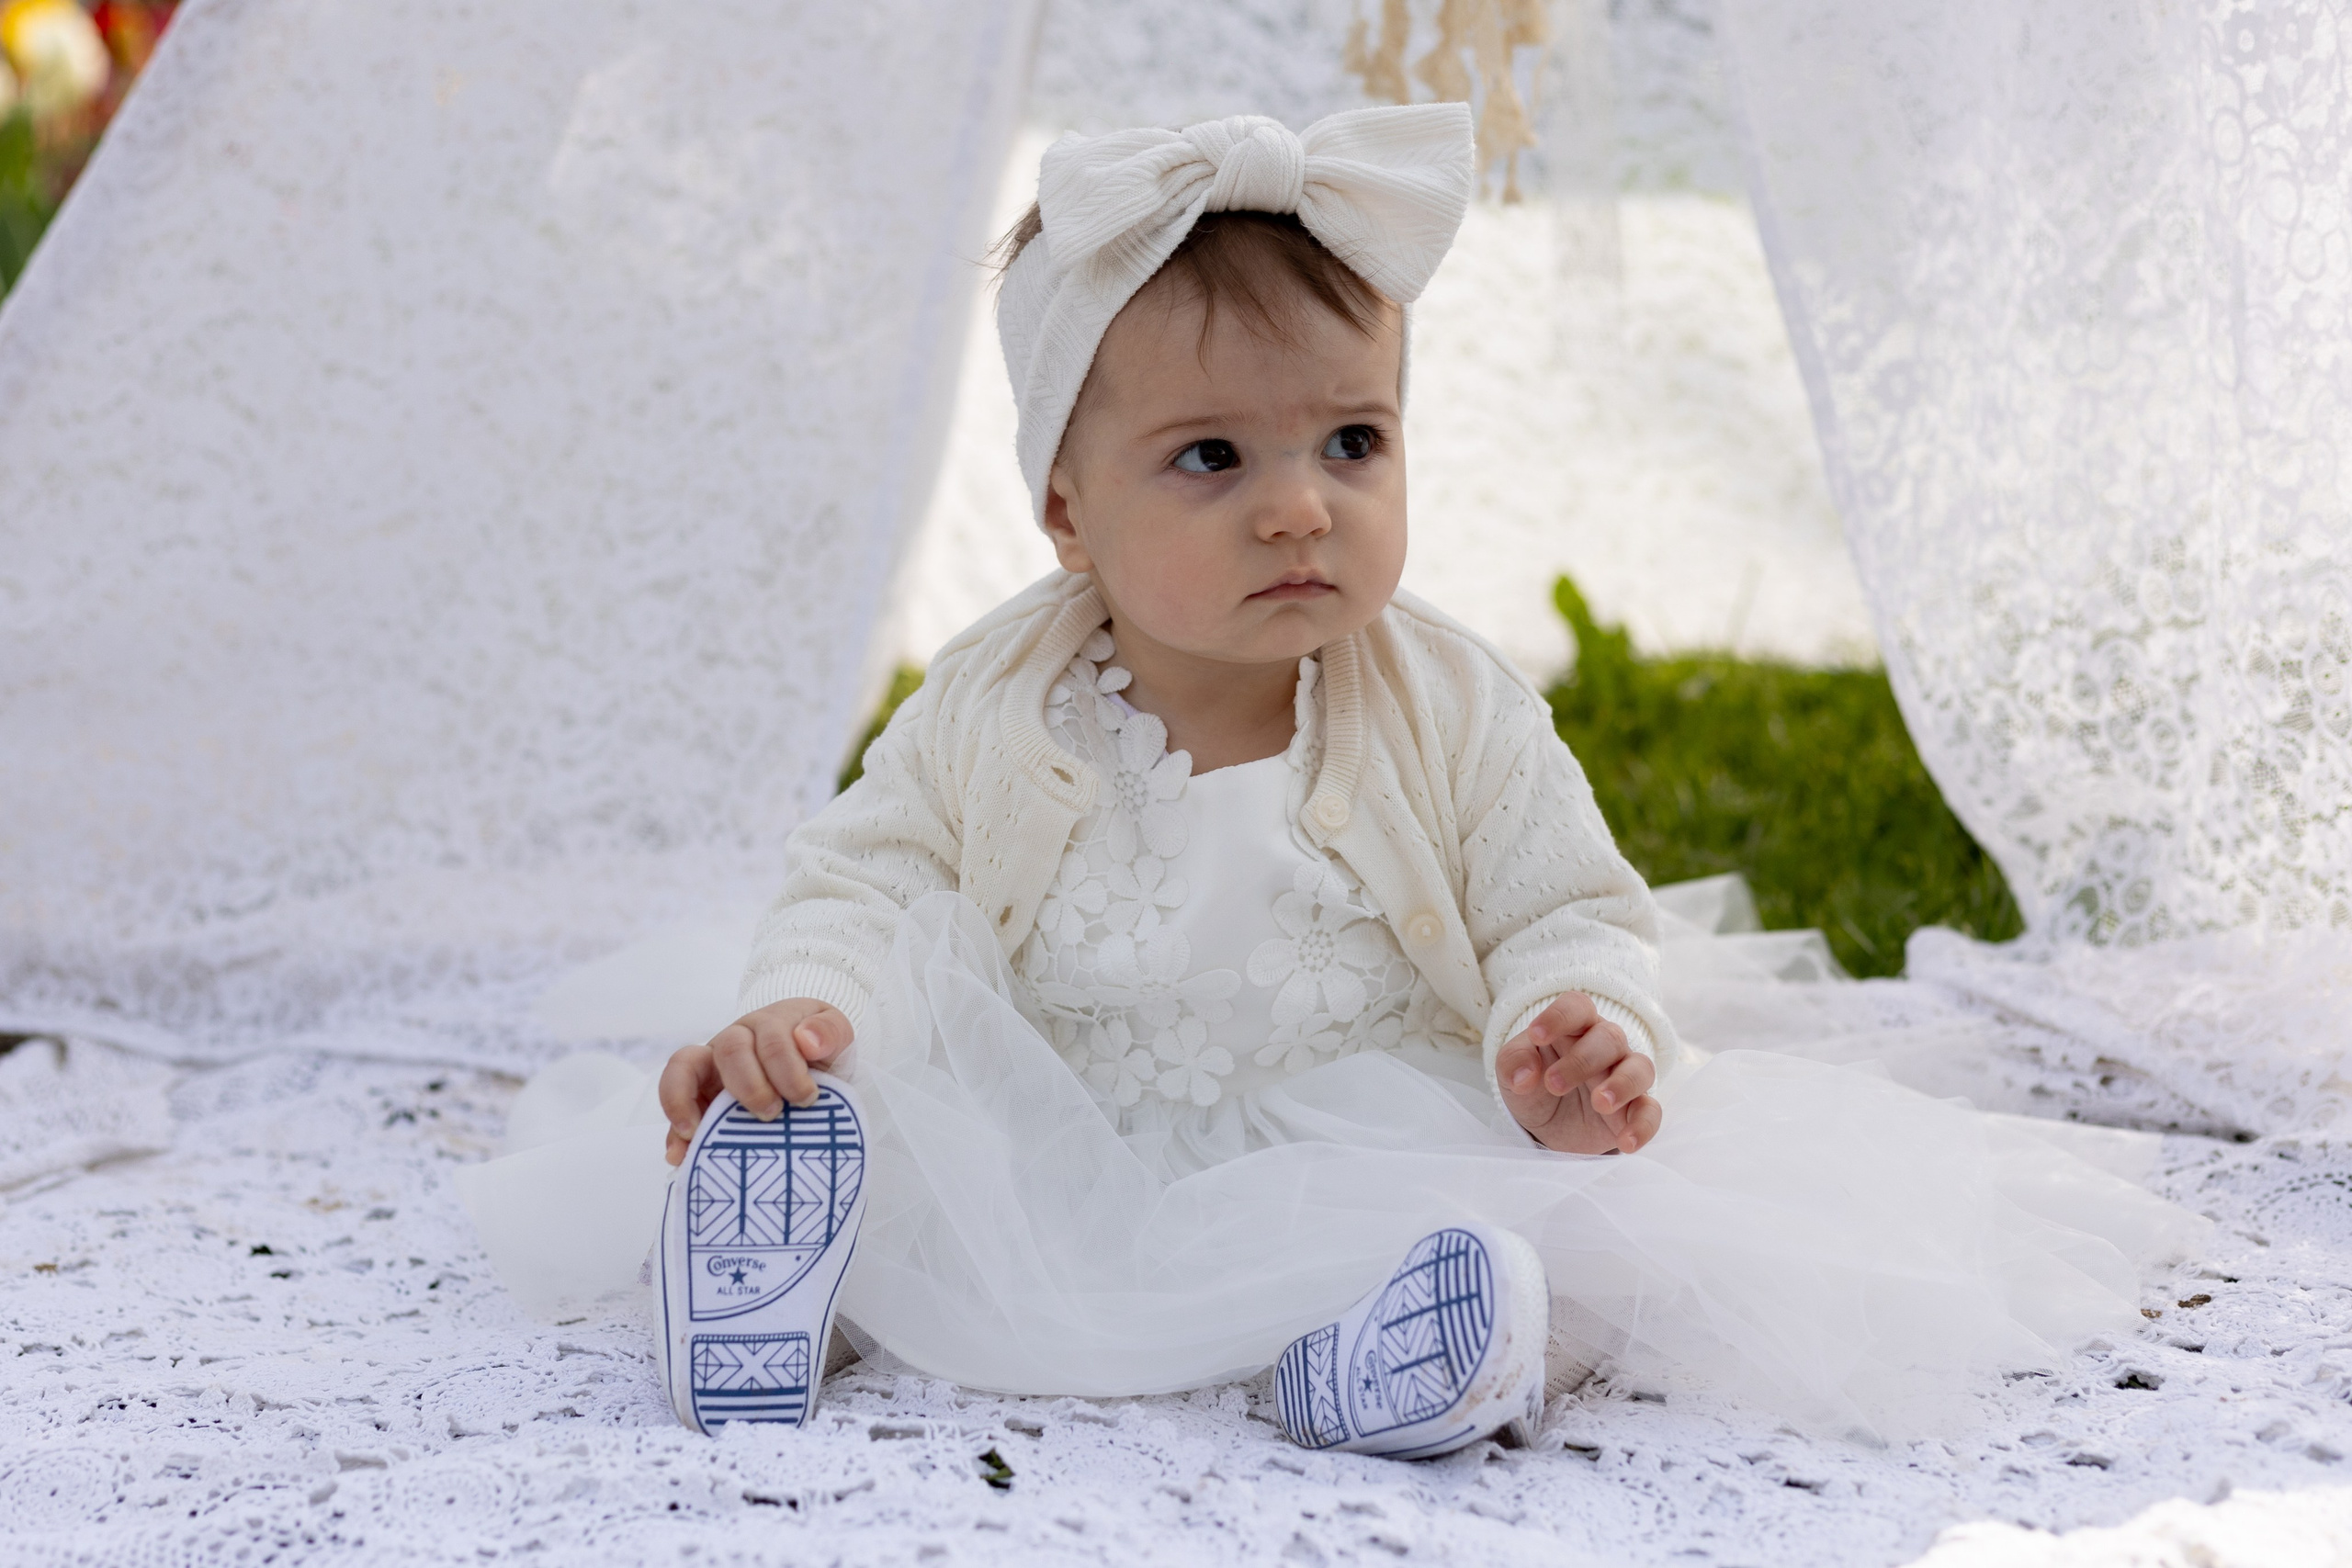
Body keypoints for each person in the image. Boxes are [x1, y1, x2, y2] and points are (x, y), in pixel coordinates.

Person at [469, 103, 2202, 1458]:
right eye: (1211, 457)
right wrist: (800, 1007)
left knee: (1569, 1242)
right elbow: (870, 875)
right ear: (1066, 509)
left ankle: (1385, 1364)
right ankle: (788, 1264)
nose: (1302, 505)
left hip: (1357, 1116)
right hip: (1062, 1111)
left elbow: (1559, 901)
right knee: (905, 1137)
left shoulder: (1443, 700)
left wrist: (1577, 1024)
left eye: (1352, 441)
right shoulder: (999, 701)